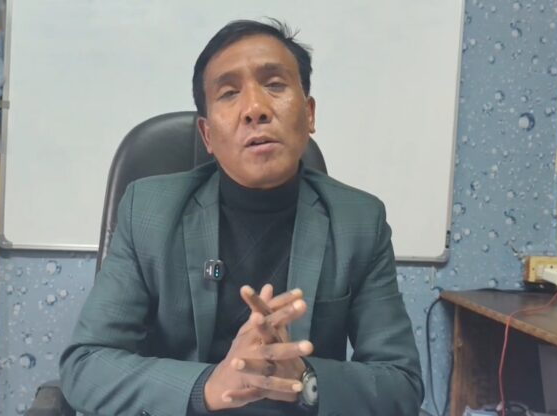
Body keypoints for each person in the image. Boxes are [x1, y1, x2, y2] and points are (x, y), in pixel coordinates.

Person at [60, 19, 423, 415]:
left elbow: (401, 383)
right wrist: (207, 387)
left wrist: (304, 379)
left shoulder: (360, 221)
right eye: (230, 93)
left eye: (275, 85)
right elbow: (86, 365)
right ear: (207, 135)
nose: (255, 109)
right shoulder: (147, 211)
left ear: (309, 114)